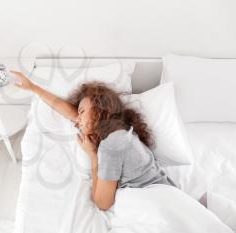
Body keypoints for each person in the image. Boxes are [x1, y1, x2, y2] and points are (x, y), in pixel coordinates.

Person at [11, 71, 175, 210]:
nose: (78, 119)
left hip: (157, 202)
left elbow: (103, 203)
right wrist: (33, 88)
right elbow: (69, 112)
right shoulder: (120, 129)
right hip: (168, 192)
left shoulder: (111, 145)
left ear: (99, 110)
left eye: (82, 112)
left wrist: (92, 156)